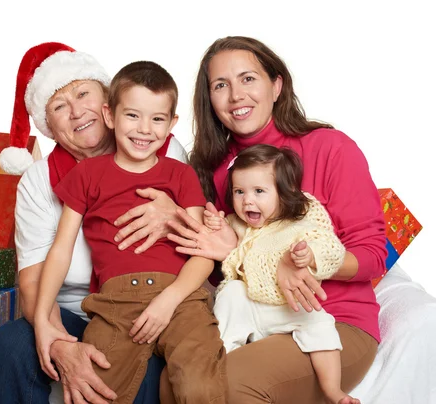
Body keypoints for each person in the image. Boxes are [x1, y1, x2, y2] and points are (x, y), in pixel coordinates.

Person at [164, 36, 386, 403]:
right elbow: (228, 275)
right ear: (210, 101)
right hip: (254, 322)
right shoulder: (212, 172)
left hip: (330, 324)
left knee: (227, 383)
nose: (236, 95)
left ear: (277, 85)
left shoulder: (330, 148)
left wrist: (306, 264)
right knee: (176, 384)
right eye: (221, 85)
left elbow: (374, 254)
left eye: (248, 78)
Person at [0, 43, 190, 404]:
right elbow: (33, 279)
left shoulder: (161, 150)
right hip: (75, 310)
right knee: (11, 344)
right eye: (59, 106)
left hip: (147, 305)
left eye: (83, 93)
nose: (77, 111)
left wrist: (173, 215)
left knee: (145, 363)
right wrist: (58, 340)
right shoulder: (39, 181)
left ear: (108, 103)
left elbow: (198, 232)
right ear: (48, 125)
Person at [34, 60, 227, 404]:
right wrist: (42, 316)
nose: (144, 129)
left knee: (200, 385)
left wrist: (169, 300)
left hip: (180, 299)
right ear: (110, 116)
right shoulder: (87, 175)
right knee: (94, 391)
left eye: (157, 119)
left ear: (172, 124)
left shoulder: (181, 175)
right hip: (115, 305)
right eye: (132, 116)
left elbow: (200, 252)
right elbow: (60, 251)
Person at [204, 144, 358, 404]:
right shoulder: (237, 222)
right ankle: (224, 356)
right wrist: (216, 225)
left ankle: (333, 390)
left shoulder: (301, 218)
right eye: (239, 191)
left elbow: (330, 246)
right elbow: (228, 249)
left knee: (320, 323)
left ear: (284, 194)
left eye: (259, 191)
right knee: (231, 294)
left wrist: (309, 254)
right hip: (250, 305)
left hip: (290, 305)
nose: (247, 200)